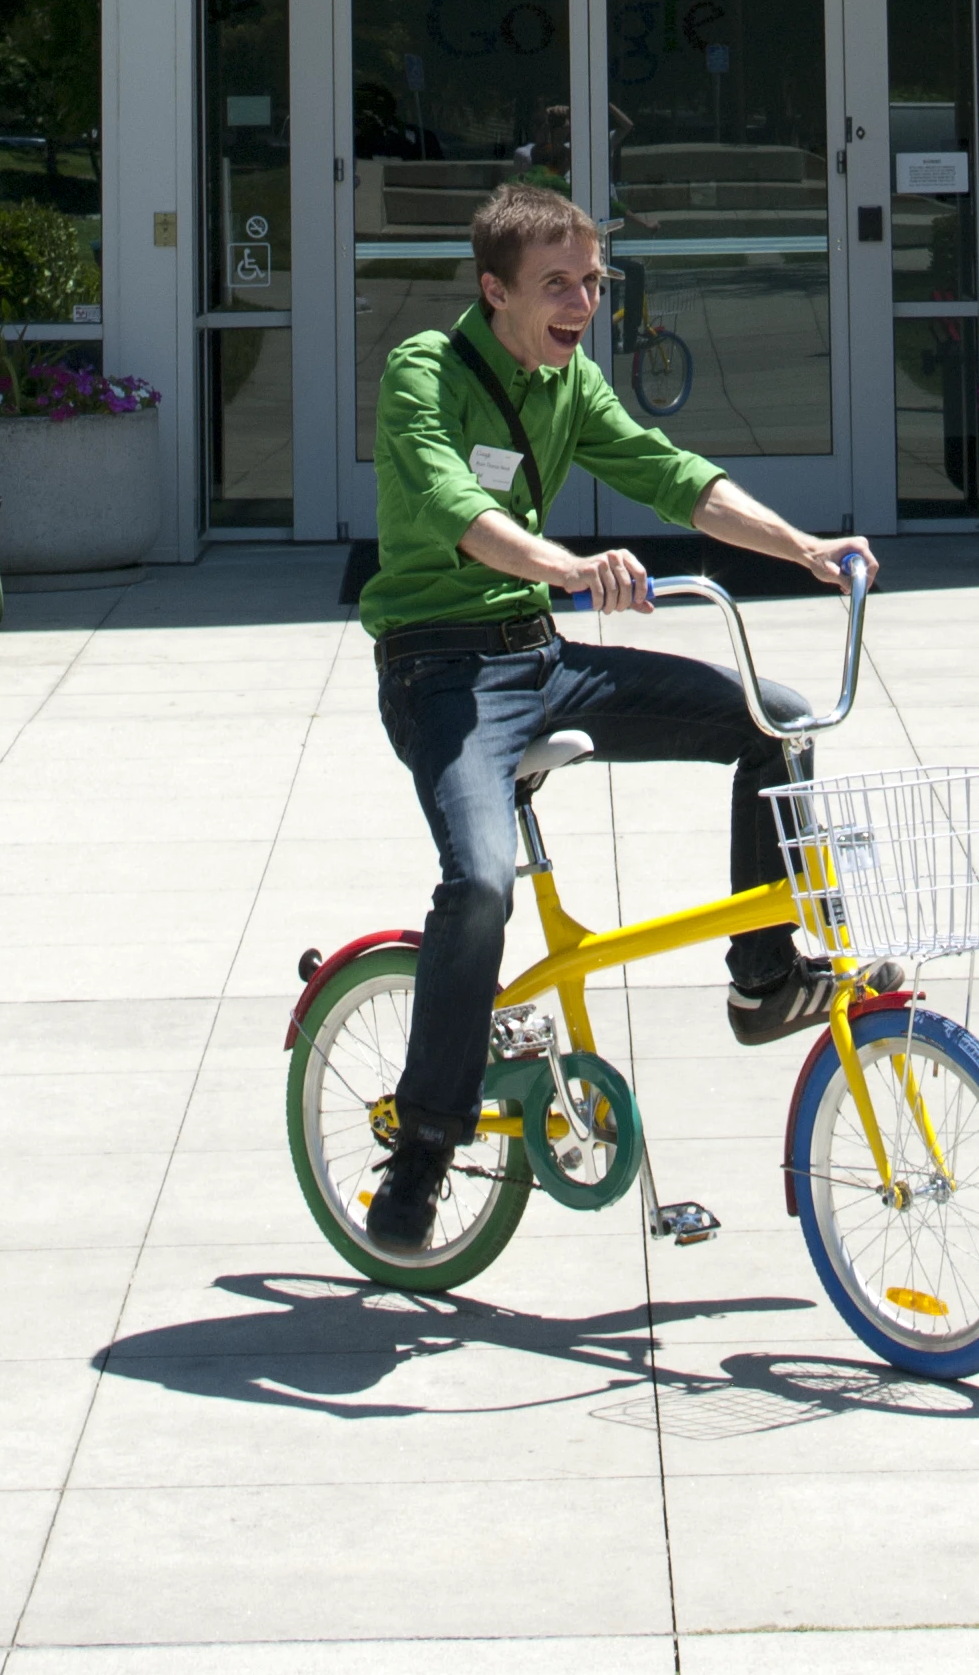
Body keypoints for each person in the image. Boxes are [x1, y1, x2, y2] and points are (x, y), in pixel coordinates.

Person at [359, 178, 876, 1254]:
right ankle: (419, 1153)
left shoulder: (571, 381)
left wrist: (806, 549)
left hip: (537, 659)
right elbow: (459, 507)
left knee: (771, 719)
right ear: (495, 290)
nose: (583, 302)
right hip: (440, 673)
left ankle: (763, 975)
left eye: (592, 281)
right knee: (480, 883)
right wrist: (567, 566)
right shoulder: (424, 372)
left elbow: (671, 474)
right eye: (557, 284)